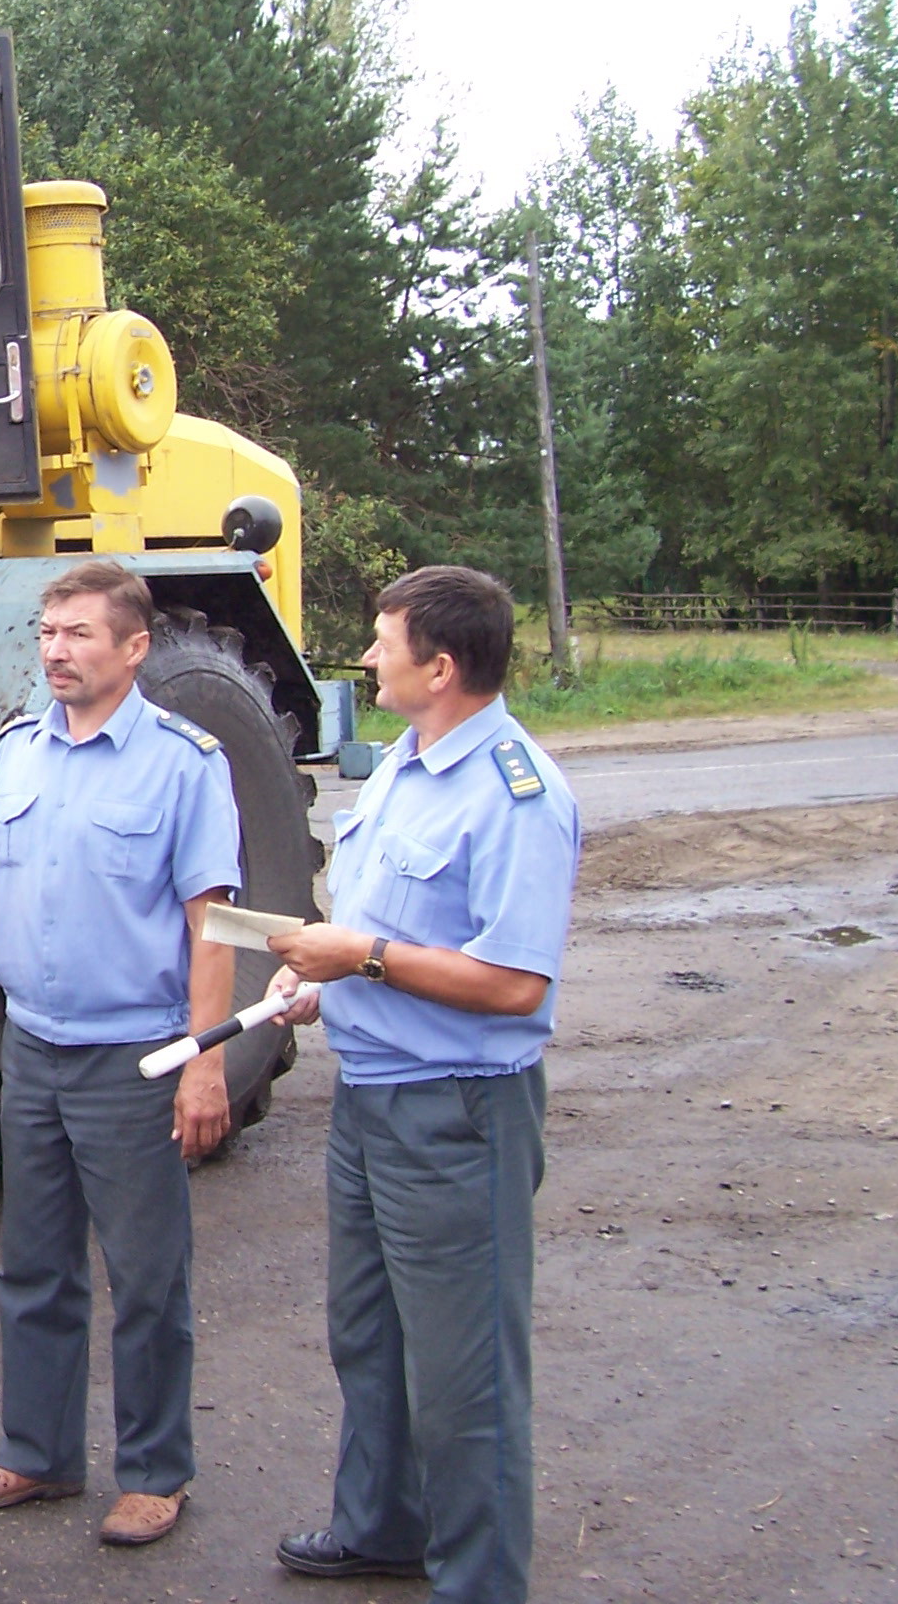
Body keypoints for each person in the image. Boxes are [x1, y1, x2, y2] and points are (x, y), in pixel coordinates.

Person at [263, 565, 580, 1601]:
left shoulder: (516, 795)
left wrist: (356, 960)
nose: (365, 655)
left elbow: (512, 981)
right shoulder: (404, 762)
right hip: (370, 1097)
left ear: (439, 667)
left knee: (464, 1376)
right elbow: (382, 936)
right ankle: (382, 1527)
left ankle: (478, 1583)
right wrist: (316, 978)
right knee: (368, 1335)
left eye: (382, 640)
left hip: (456, 1113)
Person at [0, 560, 242, 1550]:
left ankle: (155, 1471)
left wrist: (204, 1060)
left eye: (78, 635)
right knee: (34, 1269)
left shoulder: (184, 763)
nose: (55, 651)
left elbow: (213, 924)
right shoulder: (17, 753)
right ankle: (37, 1455)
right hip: (35, 1051)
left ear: (133, 648)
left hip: (133, 1058)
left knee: (146, 1277)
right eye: (47, 632)